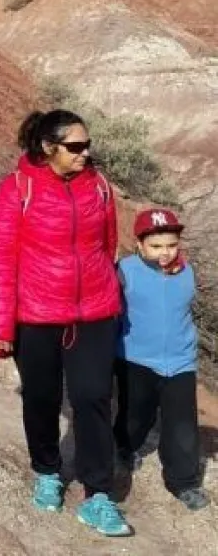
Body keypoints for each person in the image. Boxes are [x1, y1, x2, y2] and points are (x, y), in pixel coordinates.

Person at [0, 109, 130, 537]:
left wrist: (113, 299)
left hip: (94, 312)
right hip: (37, 315)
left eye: (88, 146)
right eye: (76, 147)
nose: (86, 154)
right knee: (42, 398)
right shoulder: (17, 190)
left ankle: (98, 495)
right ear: (49, 148)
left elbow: (106, 245)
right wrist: (0, 325)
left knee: (94, 397)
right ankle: (47, 470)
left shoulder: (98, 187)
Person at [114, 208, 209, 511]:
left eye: (171, 244)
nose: (164, 253)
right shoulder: (124, 271)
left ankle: (184, 481)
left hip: (180, 361)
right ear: (140, 244)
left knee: (182, 424)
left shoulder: (187, 272)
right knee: (135, 416)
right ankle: (123, 448)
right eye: (156, 246)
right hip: (136, 358)